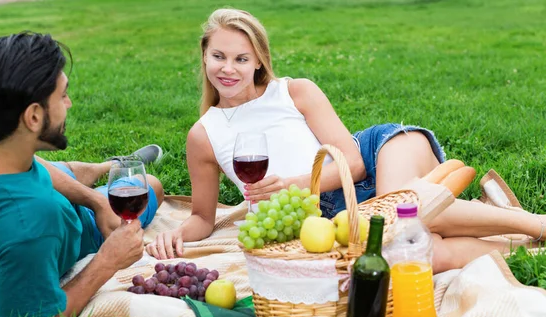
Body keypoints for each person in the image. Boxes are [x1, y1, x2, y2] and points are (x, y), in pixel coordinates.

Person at [146, 8, 545, 272]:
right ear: (204, 56)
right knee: (408, 251)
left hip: (378, 155)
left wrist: (294, 185)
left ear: (259, 61)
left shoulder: (294, 91)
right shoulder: (204, 135)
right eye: (219, 56)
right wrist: (174, 235)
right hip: (333, 217)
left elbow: (353, 163)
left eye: (241, 59)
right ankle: (524, 249)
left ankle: (535, 223)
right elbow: (201, 216)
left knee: (398, 210)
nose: (228, 69)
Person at [0, 31, 165, 317]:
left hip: (29, 182)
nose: (70, 103)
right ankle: (108, 170)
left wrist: (97, 201)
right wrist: (107, 261)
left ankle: (104, 167)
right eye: (62, 95)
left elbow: (26, 162)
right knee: (151, 185)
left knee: (64, 169)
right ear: (33, 116)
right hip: (71, 221)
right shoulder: (30, 226)